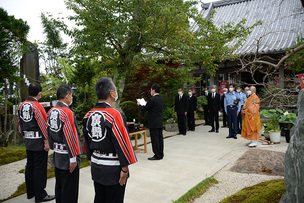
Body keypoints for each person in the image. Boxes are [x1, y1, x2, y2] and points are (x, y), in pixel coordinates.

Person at [83, 77, 137, 203]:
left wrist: (91, 159)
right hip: (113, 168)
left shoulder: (88, 115)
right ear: (111, 93)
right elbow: (122, 143)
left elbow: (86, 140)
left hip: (96, 165)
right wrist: (125, 168)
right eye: (115, 89)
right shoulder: (114, 115)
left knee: (99, 198)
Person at [17, 82, 55, 202]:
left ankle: (31, 192)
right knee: (40, 168)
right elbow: (42, 124)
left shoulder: (21, 105)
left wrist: (23, 134)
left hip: (28, 140)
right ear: (39, 94)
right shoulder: (37, 106)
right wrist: (47, 141)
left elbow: (19, 122)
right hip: (38, 140)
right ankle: (40, 195)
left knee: (30, 166)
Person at [47, 84, 81, 203]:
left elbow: (48, 132)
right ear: (67, 96)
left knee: (60, 186)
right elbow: (70, 136)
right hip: (68, 155)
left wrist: (53, 148)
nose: (71, 98)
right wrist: (73, 158)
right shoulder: (67, 112)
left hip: (58, 154)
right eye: (71, 95)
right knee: (69, 189)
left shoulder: (51, 111)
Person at [138, 83, 164, 160]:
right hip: (159, 120)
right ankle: (160, 154)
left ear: (153, 90)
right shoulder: (161, 99)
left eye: (151, 89)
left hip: (153, 121)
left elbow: (144, 109)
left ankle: (157, 155)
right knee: (160, 138)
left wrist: (139, 105)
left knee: (155, 139)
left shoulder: (152, 100)